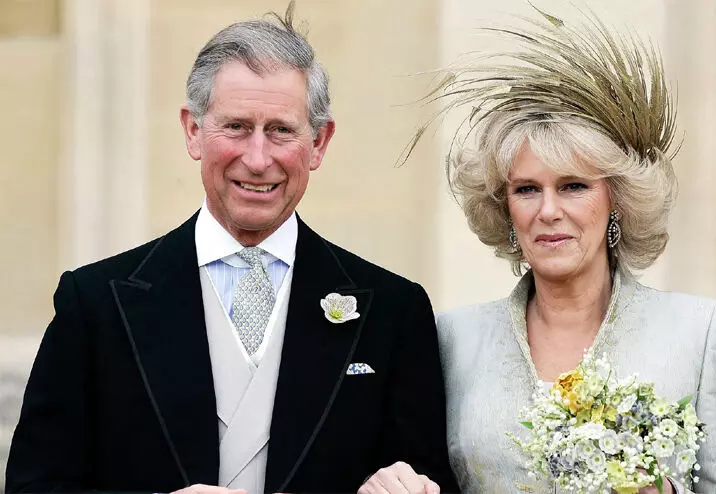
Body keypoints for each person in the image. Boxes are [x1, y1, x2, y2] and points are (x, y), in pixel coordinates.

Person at [5, 6, 457, 494]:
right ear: (193, 131)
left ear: (319, 143)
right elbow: (35, 486)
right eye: (236, 127)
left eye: (281, 130)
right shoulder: (95, 303)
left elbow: (429, 480)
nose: (258, 159)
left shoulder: (392, 311)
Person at [383, 7, 716, 494]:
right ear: (506, 210)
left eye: (574, 186)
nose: (548, 211)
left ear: (617, 201)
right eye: (526, 190)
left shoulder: (698, 332)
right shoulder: (454, 339)